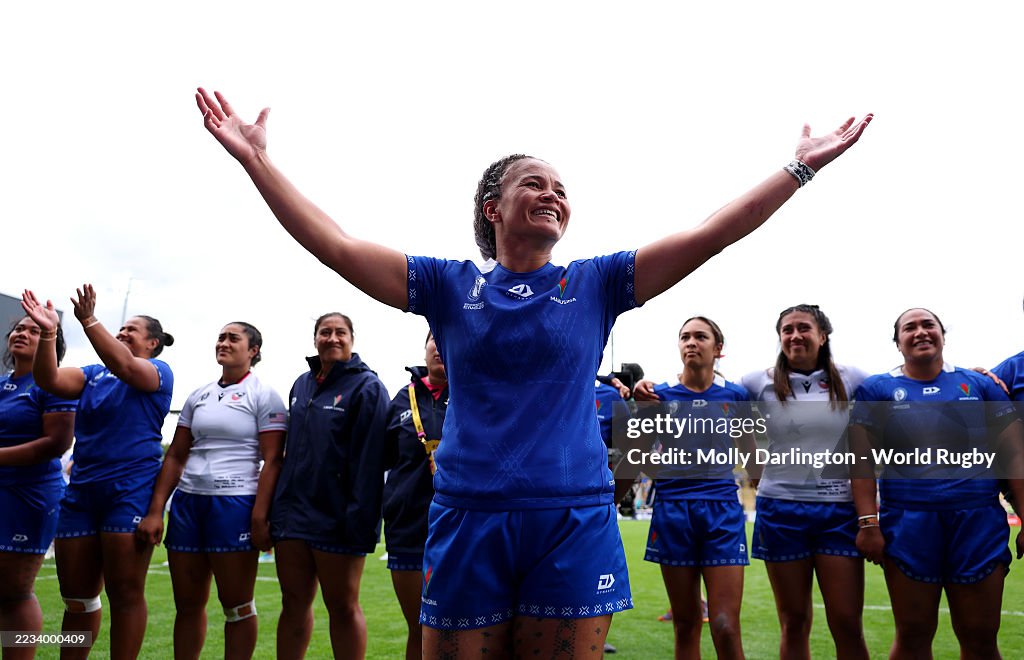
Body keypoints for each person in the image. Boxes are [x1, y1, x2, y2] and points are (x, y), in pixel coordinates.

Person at [195, 86, 872, 658]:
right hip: (468, 515)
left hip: (571, 516)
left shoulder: (600, 282)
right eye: (534, 184)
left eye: (561, 189)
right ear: (494, 209)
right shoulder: (444, 284)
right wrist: (257, 161)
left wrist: (799, 169)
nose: (552, 194)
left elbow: (714, 231)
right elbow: (337, 246)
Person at [850, 308, 1024, 659]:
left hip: (978, 523)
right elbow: (861, 460)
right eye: (909, 328)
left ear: (943, 334)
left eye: (928, 324)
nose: (920, 332)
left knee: (980, 637)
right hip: (909, 524)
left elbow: (1014, 456)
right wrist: (869, 522)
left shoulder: (980, 385)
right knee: (913, 636)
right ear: (897, 342)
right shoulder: (876, 389)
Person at [21, 286, 173, 659]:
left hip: (128, 493)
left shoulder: (158, 372)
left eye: (130, 331)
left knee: (124, 595)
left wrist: (89, 320)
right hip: (82, 493)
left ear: (152, 343)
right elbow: (50, 380)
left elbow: (123, 365)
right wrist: (49, 334)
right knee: (77, 599)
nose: (121, 333)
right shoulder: (92, 374)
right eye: (119, 330)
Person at [135, 322, 286, 659]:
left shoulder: (264, 394)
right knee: (187, 606)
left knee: (237, 607)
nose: (224, 342)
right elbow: (175, 455)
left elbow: (273, 459)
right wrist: (157, 509)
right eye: (221, 337)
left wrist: (260, 516)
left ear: (253, 351)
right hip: (189, 504)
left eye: (234, 338)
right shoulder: (199, 394)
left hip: (235, 504)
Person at [741, 305, 870, 660]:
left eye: (803, 328)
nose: (795, 335)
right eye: (787, 329)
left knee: (846, 621)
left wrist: (983, 376)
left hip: (839, 511)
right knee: (794, 621)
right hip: (780, 510)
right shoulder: (757, 380)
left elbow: (905, 385)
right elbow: (710, 392)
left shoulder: (854, 377)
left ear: (822, 335)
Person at [632, 317, 755, 659]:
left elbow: (753, 458)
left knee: (725, 625)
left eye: (700, 336)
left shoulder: (736, 396)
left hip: (723, 513)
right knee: (686, 625)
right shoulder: (660, 397)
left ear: (718, 349)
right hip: (673, 512)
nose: (691, 342)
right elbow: (639, 457)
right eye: (684, 336)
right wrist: (671, 477)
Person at [271, 312, 390, 660]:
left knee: (342, 607)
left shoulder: (368, 387)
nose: (332, 338)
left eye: (340, 332)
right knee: (292, 603)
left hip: (338, 521)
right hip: (292, 518)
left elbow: (371, 463)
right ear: (315, 339)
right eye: (325, 332)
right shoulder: (301, 384)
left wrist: (359, 522)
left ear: (352, 339)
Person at [0, 317, 76, 660]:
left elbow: (56, 443)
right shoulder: (3, 385)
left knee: (15, 593)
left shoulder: (54, 386)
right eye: (18, 328)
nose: (22, 333)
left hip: (28, 495)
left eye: (34, 330)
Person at [382, 331, 449, 660]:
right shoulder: (400, 399)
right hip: (408, 527)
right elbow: (380, 459)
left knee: (461, 626)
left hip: (462, 527)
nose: (439, 345)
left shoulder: (478, 393)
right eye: (433, 338)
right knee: (420, 627)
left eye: (448, 337)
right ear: (424, 349)